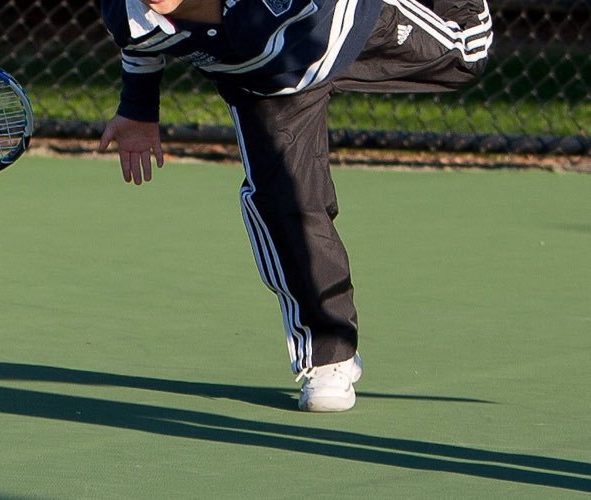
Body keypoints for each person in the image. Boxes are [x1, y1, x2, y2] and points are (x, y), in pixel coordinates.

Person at [97, 0, 492, 411]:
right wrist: (137, 107)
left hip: (346, 23)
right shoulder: (126, 10)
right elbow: (140, 40)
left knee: (468, 53)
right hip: (268, 88)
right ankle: (328, 356)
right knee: (283, 207)